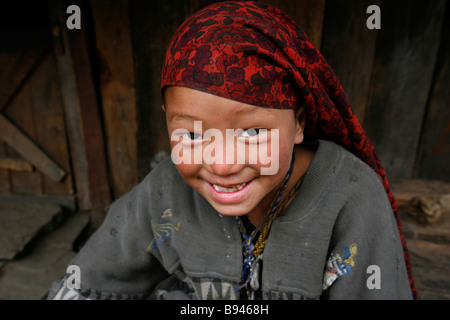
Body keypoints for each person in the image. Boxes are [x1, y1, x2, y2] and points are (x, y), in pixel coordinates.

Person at [48, 1, 416, 300]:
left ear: (299, 121)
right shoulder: (164, 194)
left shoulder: (353, 199)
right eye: (192, 135)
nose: (222, 165)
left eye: (254, 132)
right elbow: (86, 284)